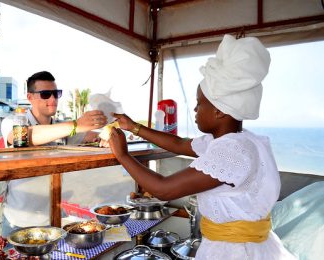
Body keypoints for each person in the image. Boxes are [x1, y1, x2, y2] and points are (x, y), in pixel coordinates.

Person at [107, 35, 296, 259]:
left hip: (234, 252)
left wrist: (123, 155)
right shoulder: (237, 140)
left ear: (220, 110)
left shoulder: (232, 152)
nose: (195, 110)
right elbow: (178, 144)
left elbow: (163, 189)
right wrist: (134, 127)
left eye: (199, 104)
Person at [0, 71, 107, 237]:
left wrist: (106, 134)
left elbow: (92, 136)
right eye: (45, 94)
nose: (53, 99)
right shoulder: (14, 121)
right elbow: (20, 136)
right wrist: (76, 125)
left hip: (52, 220)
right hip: (18, 222)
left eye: (56, 94)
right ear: (30, 97)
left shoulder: (60, 128)